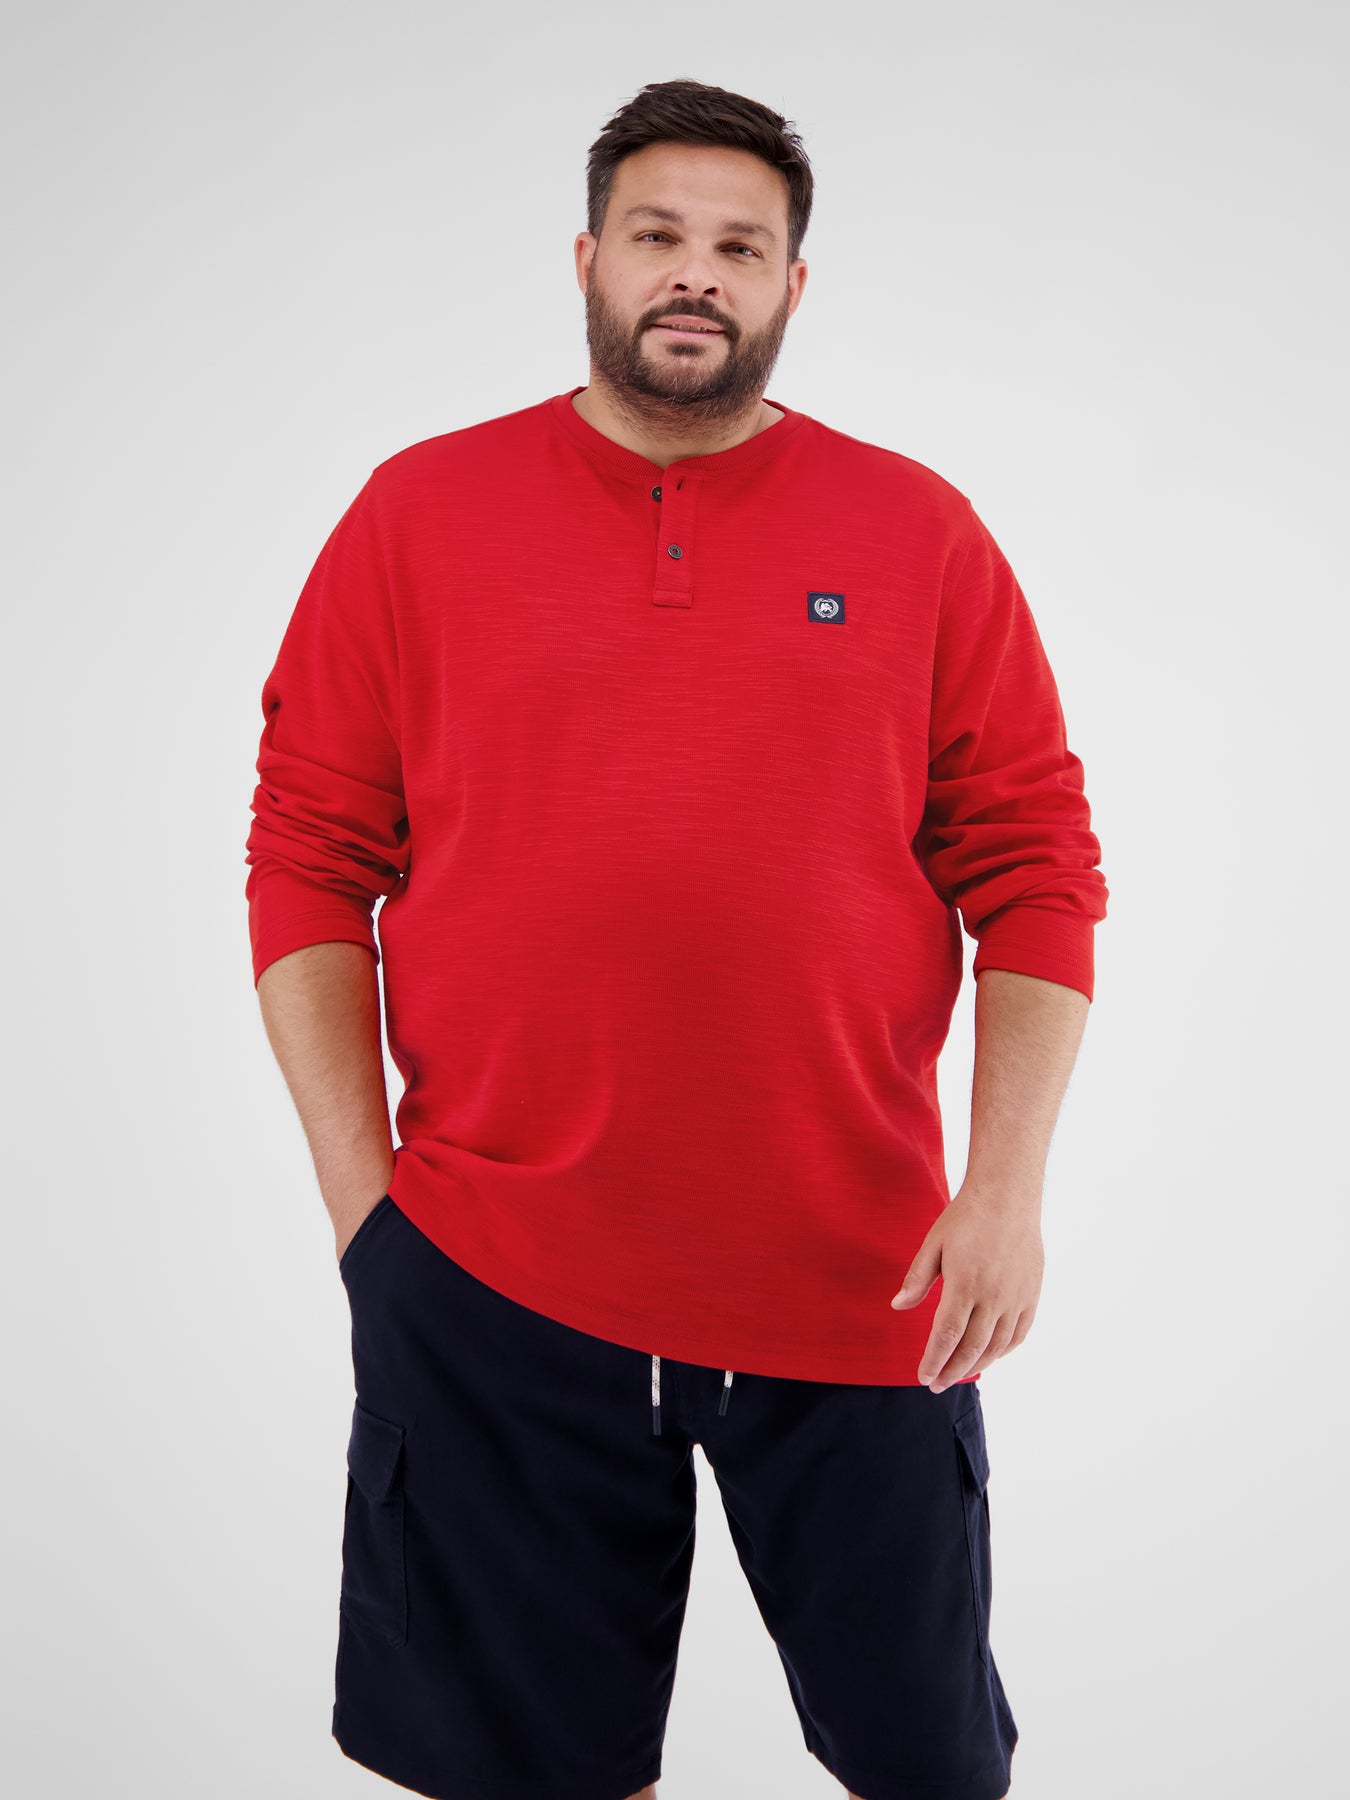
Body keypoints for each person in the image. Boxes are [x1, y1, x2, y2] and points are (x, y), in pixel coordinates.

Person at [245, 75, 1107, 1800]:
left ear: (793, 284)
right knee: (535, 1772)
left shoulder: (916, 531)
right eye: (657, 236)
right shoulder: (418, 514)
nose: (695, 273)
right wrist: (367, 1217)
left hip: (861, 1279)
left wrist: (1004, 1190)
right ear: (588, 259)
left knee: (927, 1766)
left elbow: (1034, 867)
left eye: (739, 245)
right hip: (495, 1272)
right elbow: (307, 859)